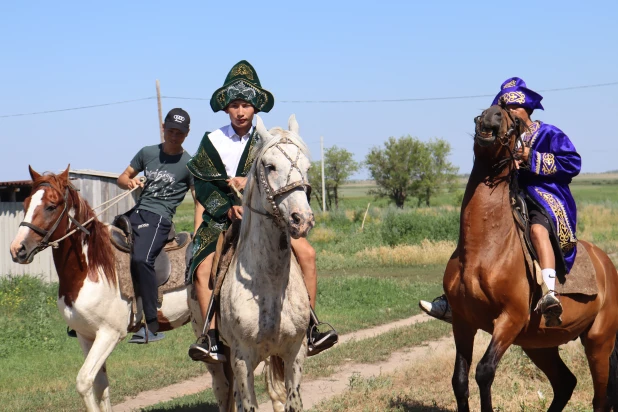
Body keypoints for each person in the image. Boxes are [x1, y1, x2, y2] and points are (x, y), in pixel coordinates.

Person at [186, 60, 338, 363]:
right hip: (221, 219)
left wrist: (250, 182)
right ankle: (211, 337)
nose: (241, 111)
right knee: (203, 270)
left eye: (246, 105)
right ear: (226, 108)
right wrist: (229, 208)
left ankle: (310, 327)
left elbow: (282, 176)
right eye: (235, 105)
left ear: (256, 108)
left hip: (266, 217)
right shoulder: (212, 141)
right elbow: (202, 185)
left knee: (307, 254)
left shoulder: (267, 140)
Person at [420, 77, 581, 327]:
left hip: (544, 195)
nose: (508, 112)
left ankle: (549, 294)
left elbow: (573, 163)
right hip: (509, 193)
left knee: (538, 230)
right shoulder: (507, 135)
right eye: (504, 108)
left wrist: (532, 157)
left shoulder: (549, 132)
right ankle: (454, 299)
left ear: (526, 109)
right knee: (475, 231)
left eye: (513, 108)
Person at [117, 108, 195, 343]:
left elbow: (198, 195)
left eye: (179, 133)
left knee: (142, 259)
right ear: (163, 128)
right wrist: (130, 181)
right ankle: (91, 314)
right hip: (136, 213)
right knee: (102, 242)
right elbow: (121, 177)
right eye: (170, 130)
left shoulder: (189, 163)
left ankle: (151, 326)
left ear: (186, 134)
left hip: (159, 218)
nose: (174, 136)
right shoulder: (147, 152)